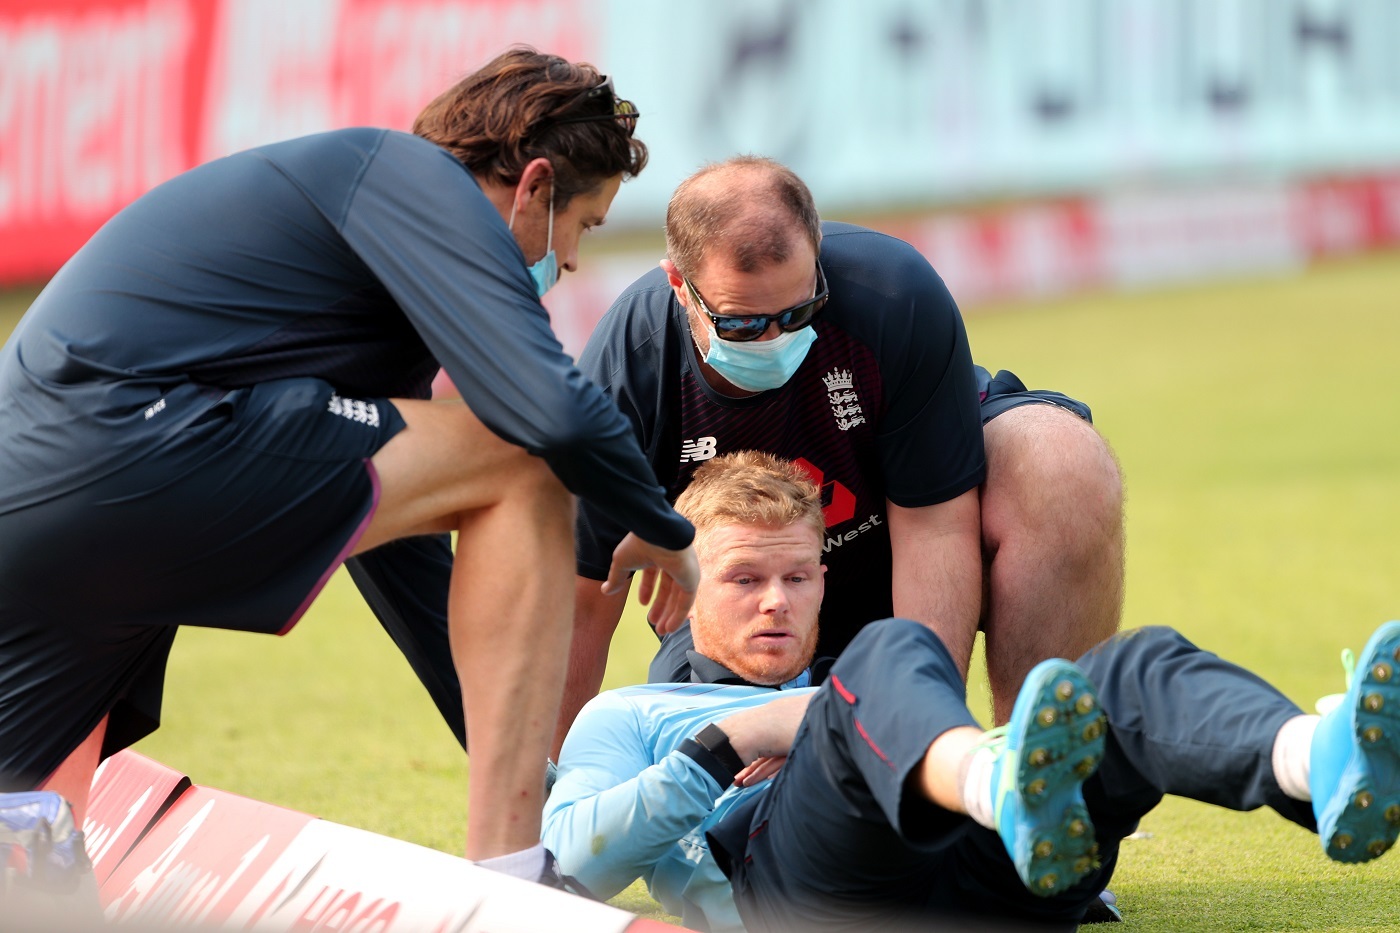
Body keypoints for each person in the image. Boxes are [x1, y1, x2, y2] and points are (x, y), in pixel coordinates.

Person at [0, 46, 699, 883]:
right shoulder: (407, 176)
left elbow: (396, 557)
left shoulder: (370, 246)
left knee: (26, 841)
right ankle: (515, 868)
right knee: (522, 457)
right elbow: (547, 410)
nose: (576, 261)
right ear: (535, 185)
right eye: (584, 225)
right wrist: (665, 529)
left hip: (35, 503)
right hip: (132, 441)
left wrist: (525, 767)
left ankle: (521, 853)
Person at [543, 452, 1400, 931]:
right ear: (684, 593)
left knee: (1129, 668)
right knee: (895, 648)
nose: (777, 600)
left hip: (983, 882)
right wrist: (736, 738)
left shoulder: (864, 685)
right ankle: (1005, 786)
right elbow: (567, 867)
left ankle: (1317, 764)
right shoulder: (631, 716)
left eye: (798, 576)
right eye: (743, 578)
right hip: (802, 900)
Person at [564, 155, 1124, 752]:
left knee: (1063, 463)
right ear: (680, 285)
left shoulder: (891, 293)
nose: (775, 342)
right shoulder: (628, 369)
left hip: (905, 553)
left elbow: (936, 528)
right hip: (757, 608)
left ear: (816, 255)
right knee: (728, 797)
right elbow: (579, 603)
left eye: (797, 314)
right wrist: (543, 807)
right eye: (744, 326)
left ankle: (1032, 778)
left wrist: (921, 743)